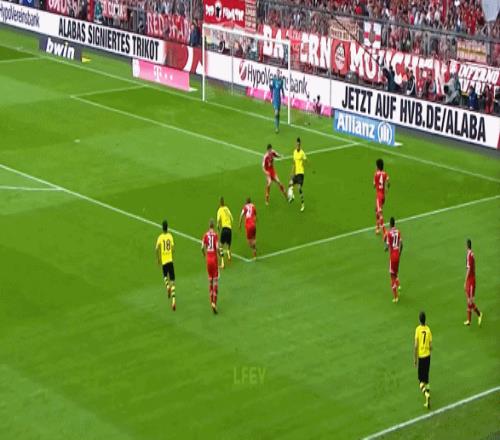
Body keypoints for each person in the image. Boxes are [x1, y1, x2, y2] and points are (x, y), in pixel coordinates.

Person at [155, 220, 176, 311]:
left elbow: (156, 249)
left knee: (165, 276)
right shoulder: (170, 236)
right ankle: (173, 301)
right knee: (173, 281)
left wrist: (158, 258)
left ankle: (167, 286)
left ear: (162, 227)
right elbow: (173, 249)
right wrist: (170, 253)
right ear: (167, 227)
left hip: (164, 261)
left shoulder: (160, 237)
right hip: (170, 260)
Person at [414, 311, 432, 409]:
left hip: (421, 356)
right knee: (426, 377)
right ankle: (427, 400)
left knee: (421, 380)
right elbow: (431, 346)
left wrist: (415, 359)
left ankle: (426, 394)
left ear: (419, 320)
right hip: (428, 356)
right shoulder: (428, 330)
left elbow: (416, 346)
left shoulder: (418, 330)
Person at [202, 220, 220, 314]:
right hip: (214, 260)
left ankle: (211, 302)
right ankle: (214, 303)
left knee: (210, 281)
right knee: (216, 281)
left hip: (208, 259)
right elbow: (217, 247)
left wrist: (204, 254)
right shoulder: (216, 235)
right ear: (214, 226)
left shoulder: (205, 235)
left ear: (209, 226)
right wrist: (220, 254)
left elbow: (202, 247)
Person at [464, 239, 483, 326]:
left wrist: (465, 281)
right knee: (468, 300)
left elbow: (469, 269)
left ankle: (479, 314)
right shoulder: (472, 253)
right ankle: (469, 320)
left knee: (470, 301)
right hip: (471, 279)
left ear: (466, 246)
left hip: (471, 280)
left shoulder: (469, 255)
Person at [384, 217, 402, 303]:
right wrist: (399, 253)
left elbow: (387, 246)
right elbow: (402, 244)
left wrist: (385, 247)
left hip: (392, 256)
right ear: (394, 223)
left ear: (390, 224)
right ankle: (399, 285)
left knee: (392, 275)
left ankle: (395, 297)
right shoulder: (398, 231)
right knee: (395, 272)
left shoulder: (389, 233)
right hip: (397, 254)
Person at [287, 137, 307, 212]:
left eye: (298, 145)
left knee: (299, 188)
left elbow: (305, 160)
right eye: (296, 145)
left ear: (300, 145)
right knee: (290, 184)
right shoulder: (294, 152)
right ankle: (292, 197)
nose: (297, 146)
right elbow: (294, 163)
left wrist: (304, 163)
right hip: (296, 173)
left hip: (301, 174)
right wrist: (292, 172)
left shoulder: (302, 153)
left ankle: (302, 204)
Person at [373, 158, 390, 235]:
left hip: (378, 196)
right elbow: (388, 183)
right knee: (376, 210)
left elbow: (374, 185)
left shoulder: (376, 174)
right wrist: (386, 189)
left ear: (377, 166)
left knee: (379, 212)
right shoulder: (385, 174)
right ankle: (377, 228)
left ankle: (384, 230)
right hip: (383, 196)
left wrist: (376, 184)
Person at [217, 197, 233, 269]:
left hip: (224, 229)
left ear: (219, 203)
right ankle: (228, 253)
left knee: (220, 246)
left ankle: (222, 263)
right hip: (229, 229)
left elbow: (218, 221)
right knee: (228, 244)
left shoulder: (219, 210)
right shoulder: (227, 208)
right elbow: (232, 218)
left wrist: (218, 229)